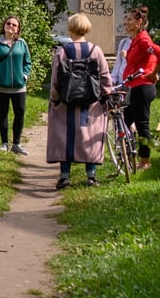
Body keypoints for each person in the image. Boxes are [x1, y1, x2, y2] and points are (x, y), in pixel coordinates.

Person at [46, 13, 114, 189]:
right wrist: (106, 96)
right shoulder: (95, 50)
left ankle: (65, 177)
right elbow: (105, 76)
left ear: (70, 28)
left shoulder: (62, 51)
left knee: (64, 135)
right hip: (91, 101)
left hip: (65, 101)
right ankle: (91, 176)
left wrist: (55, 100)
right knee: (89, 135)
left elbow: (55, 79)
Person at [120, 6, 160, 170]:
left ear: (139, 22)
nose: (126, 22)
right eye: (126, 19)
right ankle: (128, 154)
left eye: (129, 20)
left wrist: (153, 73)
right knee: (125, 120)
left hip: (142, 88)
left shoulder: (143, 40)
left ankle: (145, 161)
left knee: (142, 124)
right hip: (135, 87)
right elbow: (147, 59)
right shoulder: (135, 41)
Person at [0, 15, 32, 155]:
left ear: (18, 29)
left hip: (19, 86)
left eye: (14, 25)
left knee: (20, 113)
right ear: (4, 26)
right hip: (1, 87)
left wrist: (25, 75)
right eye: (8, 23)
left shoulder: (22, 43)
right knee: (3, 113)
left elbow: (27, 62)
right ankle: (4, 142)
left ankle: (16, 143)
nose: (11, 26)